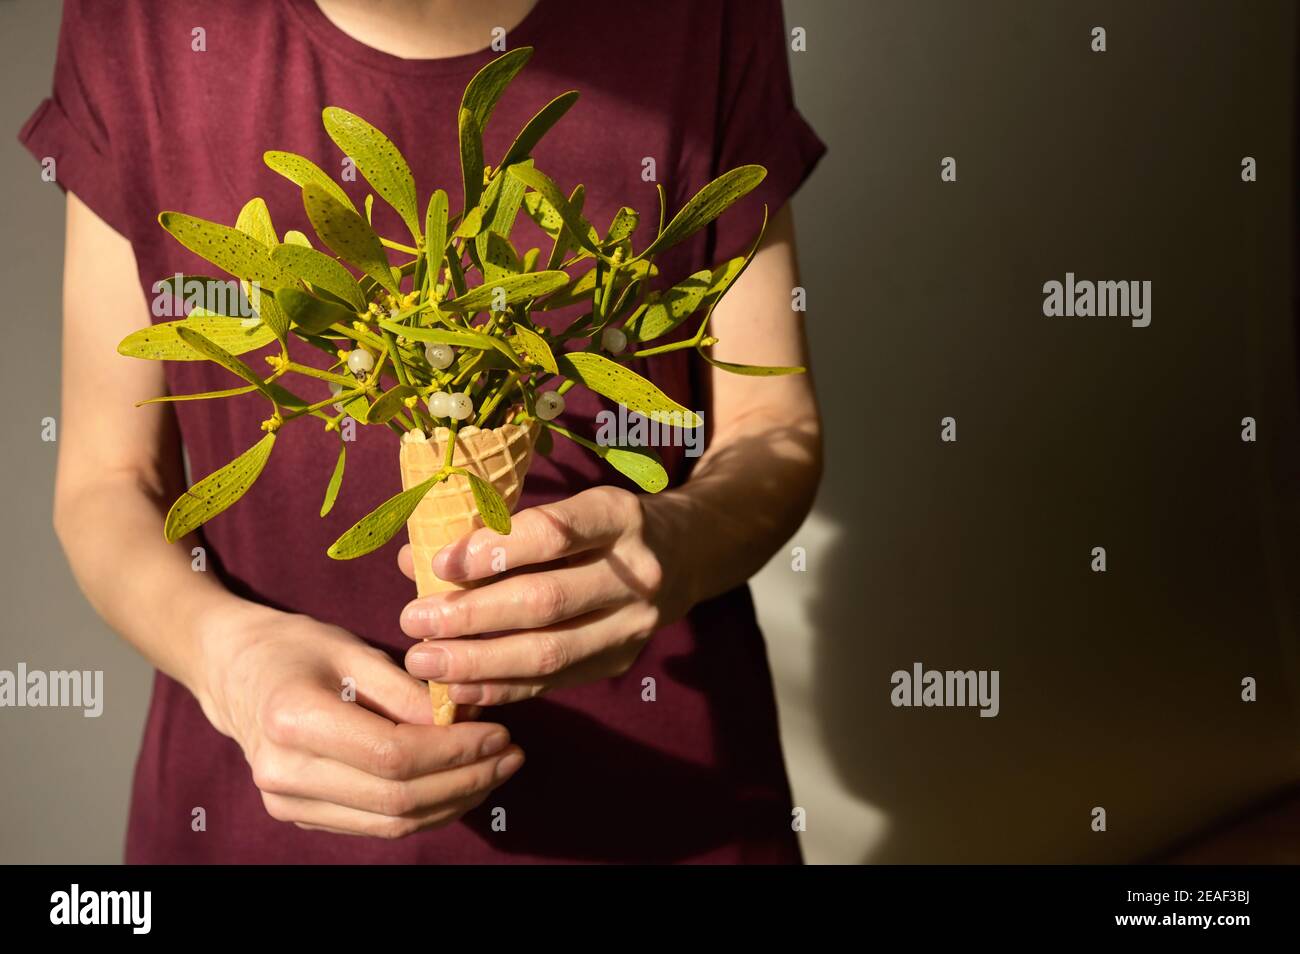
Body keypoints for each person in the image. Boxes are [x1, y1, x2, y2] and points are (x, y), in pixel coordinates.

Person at [21, 0, 824, 863]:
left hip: (662, 811)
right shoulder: (136, 20)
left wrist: (680, 543)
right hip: (263, 817)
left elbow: (772, 423)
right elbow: (107, 482)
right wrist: (230, 663)